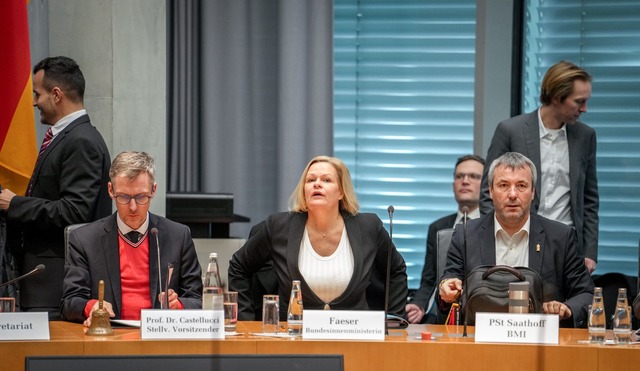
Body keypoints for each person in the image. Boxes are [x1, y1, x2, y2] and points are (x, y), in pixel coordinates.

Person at [228, 155, 408, 320]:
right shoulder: (279, 226)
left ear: (341, 192)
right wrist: (246, 321)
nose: (317, 184)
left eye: (327, 180)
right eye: (311, 180)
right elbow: (239, 266)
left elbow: (396, 269)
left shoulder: (368, 226)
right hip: (295, 335)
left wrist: (394, 320)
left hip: (353, 334)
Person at [0, 56, 111, 319]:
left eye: (38, 94)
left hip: (56, 283)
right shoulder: (68, 137)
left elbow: (75, 212)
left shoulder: (82, 141)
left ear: (57, 94)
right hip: (42, 280)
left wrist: (14, 204)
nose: (34, 102)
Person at [439, 152, 594, 328]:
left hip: (540, 340)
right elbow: (448, 285)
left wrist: (566, 308)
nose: (512, 194)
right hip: (480, 341)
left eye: (521, 185)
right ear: (490, 190)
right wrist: (446, 290)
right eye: (503, 185)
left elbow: (586, 294)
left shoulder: (561, 237)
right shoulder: (466, 234)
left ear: (533, 192)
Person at [480, 60, 599, 274]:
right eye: (579, 101)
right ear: (556, 98)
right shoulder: (511, 130)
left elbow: (589, 199)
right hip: (519, 240)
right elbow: (487, 191)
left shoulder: (585, 136)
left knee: (563, 307)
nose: (584, 109)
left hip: (566, 245)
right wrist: (495, 240)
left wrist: (589, 252)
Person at [61, 151, 202, 326]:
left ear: (153, 190)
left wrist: (178, 305)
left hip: (160, 337)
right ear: (111, 191)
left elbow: (197, 299)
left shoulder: (178, 235)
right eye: (124, 197)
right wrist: (93, 307)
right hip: (109, 335)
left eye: (141, 196)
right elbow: (70, 302)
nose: (133, 207)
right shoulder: (84, 239)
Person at [406, 154, 484, 324]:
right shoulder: (438, 227)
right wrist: (418, 305)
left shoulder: (493, 225)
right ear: (453, 185)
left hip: (480, 312)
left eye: (474, 176)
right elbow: (429, 281)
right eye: (459, 176)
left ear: (486, 186)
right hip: (441, 311)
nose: (465, 181)